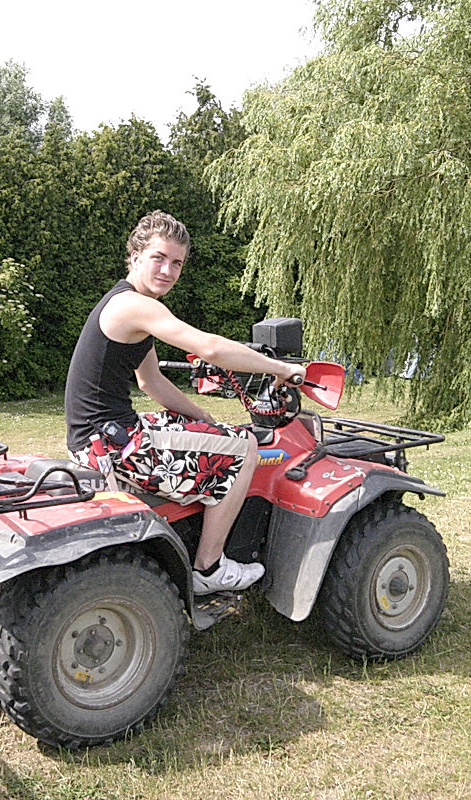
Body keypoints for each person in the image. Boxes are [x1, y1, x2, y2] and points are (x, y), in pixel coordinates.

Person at [65, 210, 306, 595]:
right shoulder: (135, 306)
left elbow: (151, 381)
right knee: (245, 446)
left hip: (100, 439)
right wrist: (279, 368)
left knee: (223, 435)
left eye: (176, 262)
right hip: (111, 447)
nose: (167, 270)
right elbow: (209, 347)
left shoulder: (130, 305)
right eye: (158, 258)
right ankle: (209, 568)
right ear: (135, 256)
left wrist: (202, 417)